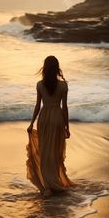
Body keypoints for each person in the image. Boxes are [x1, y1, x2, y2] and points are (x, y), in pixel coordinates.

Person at [26, 55, 74, 197]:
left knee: (45, 151)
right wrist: (67, 127)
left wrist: (31, 123)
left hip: (44, 118)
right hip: (57, 118)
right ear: (57, 69)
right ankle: (54, 183)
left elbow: (37, 106)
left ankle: (48, 186)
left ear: (45, 69)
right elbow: (64, 108)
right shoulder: (63, 86)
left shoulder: (40, 85)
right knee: (55, 153)